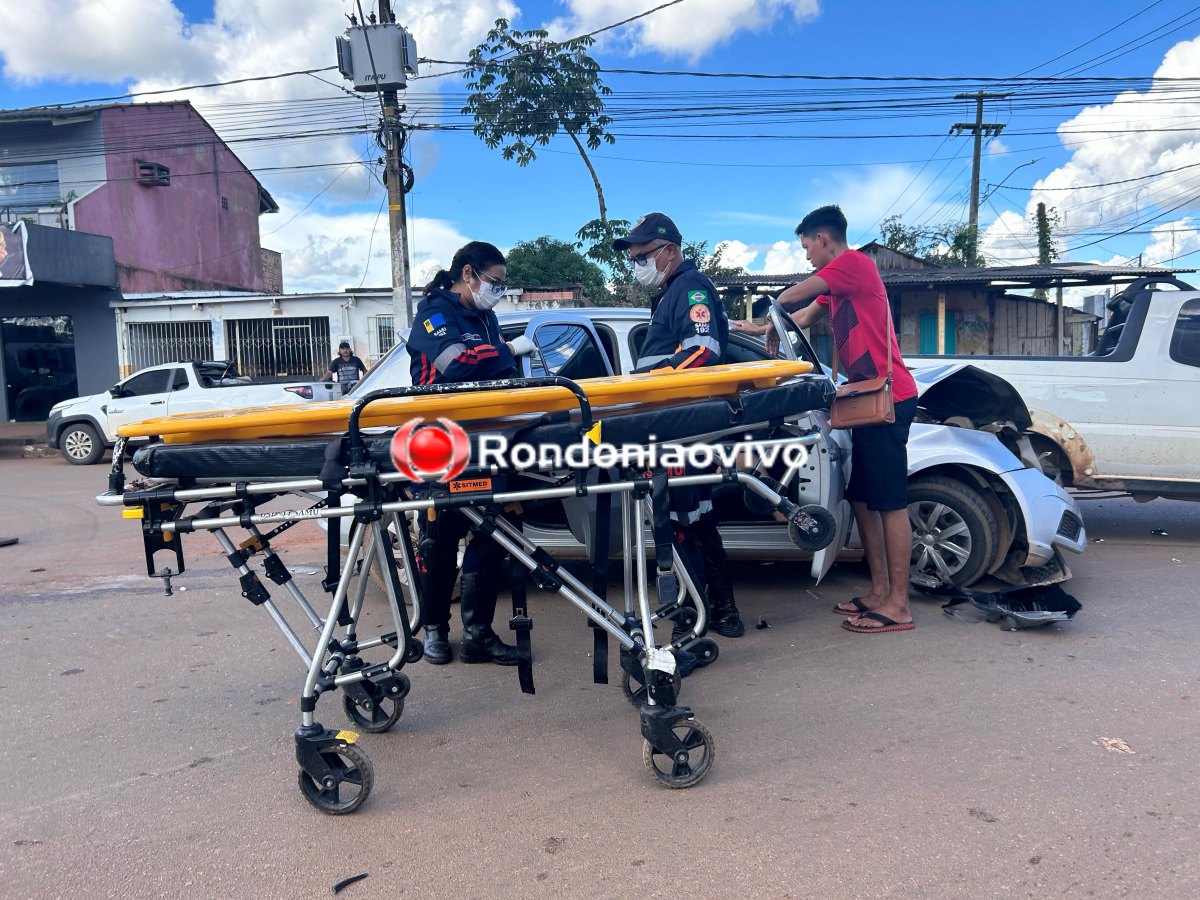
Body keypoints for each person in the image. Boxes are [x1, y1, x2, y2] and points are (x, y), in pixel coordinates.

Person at [731, 204, 919, 634]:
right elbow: (798, 318)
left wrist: (773, 312)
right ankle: (878, 593)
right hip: (868, 402)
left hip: (890, 399)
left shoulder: (853, 265)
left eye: (806, 247)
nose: (807, 256)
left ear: (823, 238)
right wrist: (753, 329)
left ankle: (899, 606)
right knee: (862, 500)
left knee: (890, 504)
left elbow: (787, 300)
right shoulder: (837, 288)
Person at [612, 213, 745, 641]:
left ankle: (693, 620)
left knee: (680, 522)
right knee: (697, 519)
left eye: (642, 256)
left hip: (679, 423)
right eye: (633, 258)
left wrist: (651, 386)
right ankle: (720, 611)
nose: (637, 265)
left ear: (669, 250)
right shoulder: (673, 292)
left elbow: (703, 352)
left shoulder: (689, 288)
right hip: (676, 425)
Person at [404, 241, 537, 665]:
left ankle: (478, 633)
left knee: (492, 534)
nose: (497, 290)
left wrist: (505, 359)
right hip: (442, 444)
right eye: (493, 282)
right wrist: (509, 350)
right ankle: (435, 631)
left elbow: (497, 371)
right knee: (439, 541)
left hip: (488, 441)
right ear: (467, 274)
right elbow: (458, 366)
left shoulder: (488, 317)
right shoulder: (434, 315)